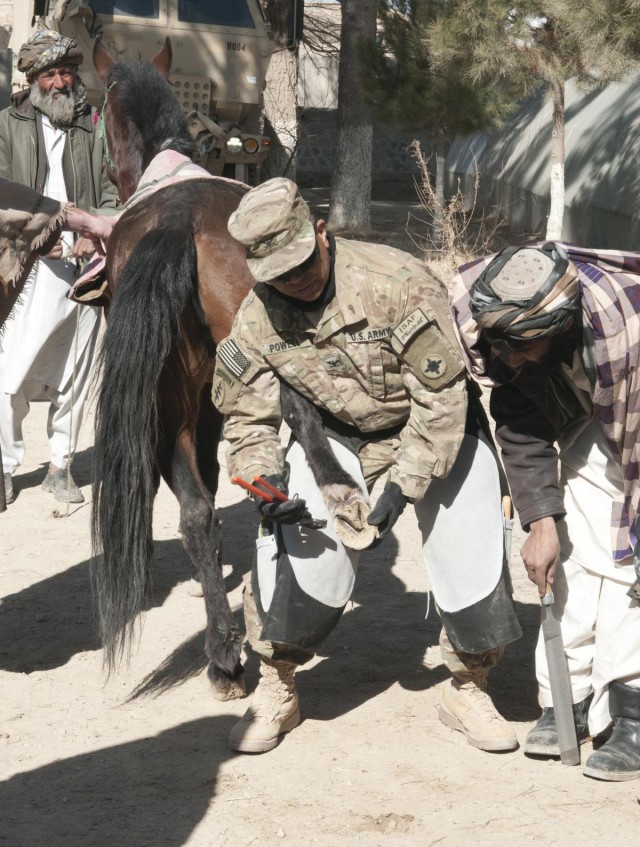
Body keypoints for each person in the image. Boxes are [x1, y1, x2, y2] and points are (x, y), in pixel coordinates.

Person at [212, 177, 522, 754]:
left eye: (302, 262)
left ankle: (468, 686)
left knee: (471, 543)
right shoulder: (257, 318)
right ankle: (278, 686)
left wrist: (403, 488)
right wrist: (265, 483)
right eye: (277, 272)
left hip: (432, 427)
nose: (295, 279)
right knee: (298, 549)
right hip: (338, 438)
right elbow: (246, 420)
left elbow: (443, 399)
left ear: (321, 232)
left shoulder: (397, 281)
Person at [450, 241, 640, 781]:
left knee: (629, 566)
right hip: (596, 415)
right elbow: (520, 419)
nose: (508, 359)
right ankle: (568, 700)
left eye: (523, 347)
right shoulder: (511, 339)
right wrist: (540, 521)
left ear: (562, 327)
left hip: (633, 411)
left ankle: (632, 713)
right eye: (501, 346)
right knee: (572, 554)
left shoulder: (626, 335)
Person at [0, 29, 117, 505]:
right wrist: (39, 238)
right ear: (32, 80)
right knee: (9, 376)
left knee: (75, 371)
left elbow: (111, 187)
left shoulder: (92, 123)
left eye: (66, 71)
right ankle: (6, 467)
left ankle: (60, 466)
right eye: (49, 74)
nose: (59, 82)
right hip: (26, 265)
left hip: (87, 265)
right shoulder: (7, 124)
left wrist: (98, 230)